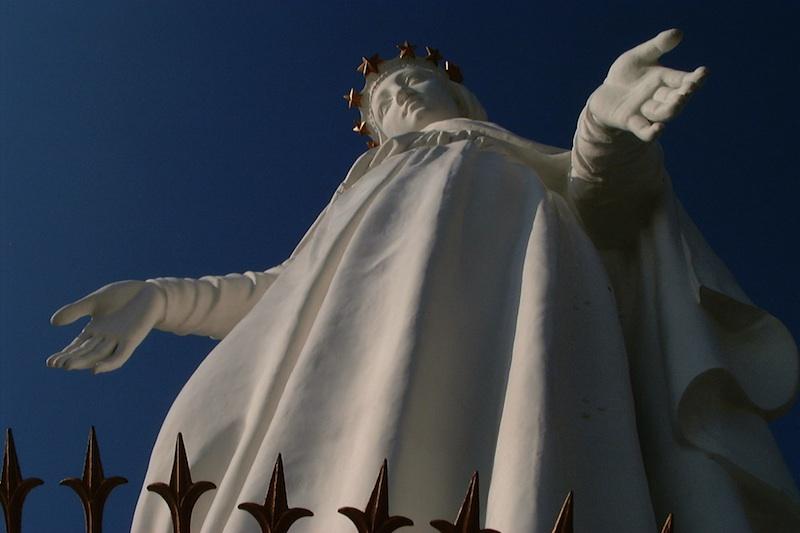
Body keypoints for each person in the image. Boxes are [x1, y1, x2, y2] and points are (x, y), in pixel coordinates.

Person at [48, 30, 800, 532]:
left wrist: (603, 125)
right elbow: (278, 291)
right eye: (383, 101)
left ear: (463, 101)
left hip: (516, 314)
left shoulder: (516, 168)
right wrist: (163, 298)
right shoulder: (358, 195)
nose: (400, 95)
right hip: (347, 358)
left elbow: (608, 205)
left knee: (525, 462)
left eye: (411, 82)